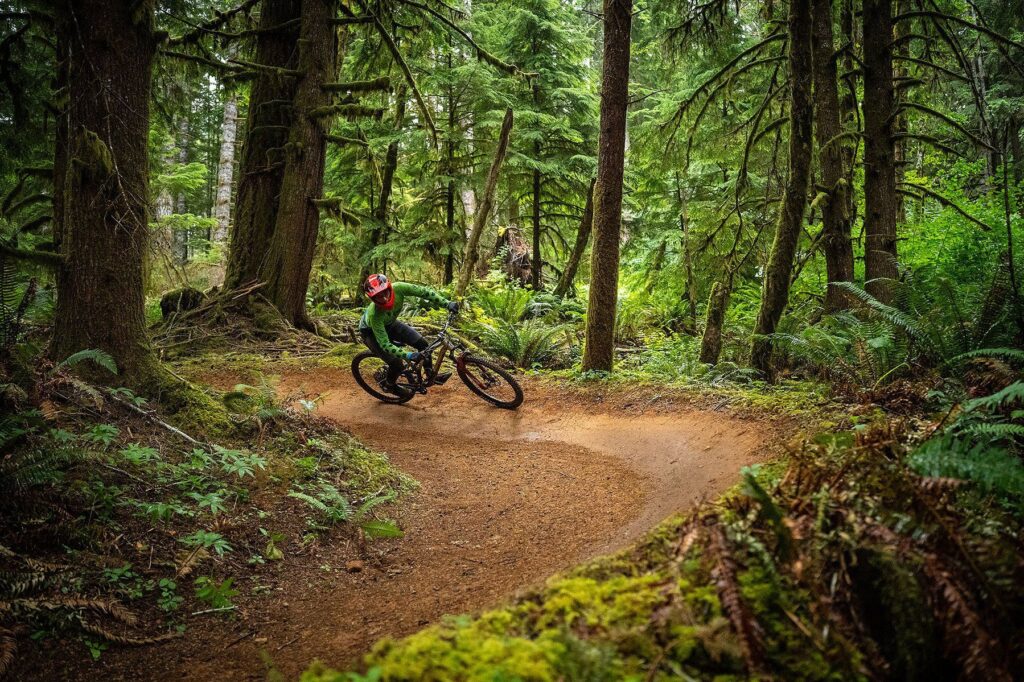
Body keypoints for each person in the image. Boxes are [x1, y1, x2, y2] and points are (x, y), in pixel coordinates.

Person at [359, 273, 459, 394]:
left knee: (423, 344)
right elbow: (384, 344)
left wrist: (447, 303)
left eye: (385, 293)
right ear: (373, 299)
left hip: (390, 323)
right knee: (397, 363)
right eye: (378, 297)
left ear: (389, 287)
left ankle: (430, 375)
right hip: (370, 333)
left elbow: (424, 292)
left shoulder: (399, 288)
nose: (384, 299)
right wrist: (409, 355)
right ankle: (389, 385)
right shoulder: (375, 315)